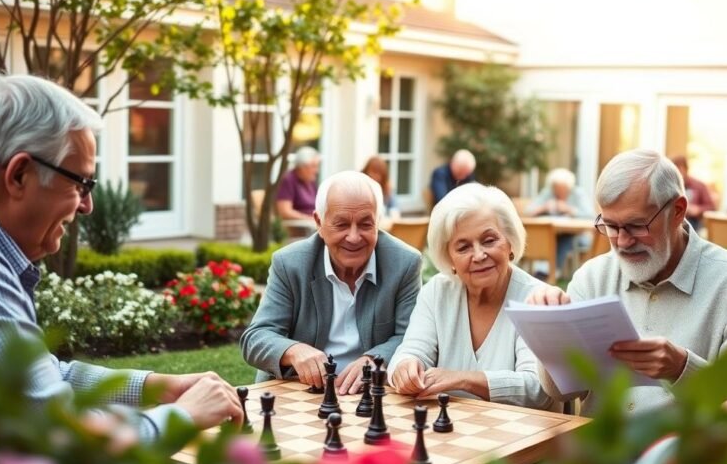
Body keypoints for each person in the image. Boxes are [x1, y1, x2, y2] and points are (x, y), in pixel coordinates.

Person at [0, 72, 242, 441]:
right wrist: (182, 416)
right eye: (80, 183)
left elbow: (38, 375)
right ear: (19, 174)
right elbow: (59, 442)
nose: (87, 205)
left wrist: (157, 386)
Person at [531, 149, 727, 414]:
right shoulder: (592, 277)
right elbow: (564, 392)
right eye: (611, 226)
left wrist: (683, 368)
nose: (622, 241)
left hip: (687, 452)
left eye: (636, 226)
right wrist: (549, 335)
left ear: (678, 211)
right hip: (599, 450)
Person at [241, 171, 422, 395]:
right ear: (319, 222)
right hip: (299, 389)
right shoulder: (290, 263)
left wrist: (375, 359)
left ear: (378, 221)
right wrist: (294, 351)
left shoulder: (404, 263)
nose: (354, 237)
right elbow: (256, 338)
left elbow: (413, 337)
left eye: (366, 224)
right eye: (342, 225)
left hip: (370, 392)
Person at [388, 183, 555, 410]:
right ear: (449, 258)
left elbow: (537, 389)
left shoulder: (536, 298)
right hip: (449, 434)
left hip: (520, 437)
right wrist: (405, 368)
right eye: (463, 247)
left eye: (489, 240)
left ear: (510, 242)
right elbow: (410, 352)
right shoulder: (436, 292)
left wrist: (462, 379)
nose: (478, 255)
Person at [525, 168, 595, 276]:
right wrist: (544, 207)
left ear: (569, 187)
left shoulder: (578, 193)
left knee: (566, 237)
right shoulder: (548, 193)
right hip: (551, 234)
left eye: (563, 189)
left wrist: (569, 209)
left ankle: (549, 272)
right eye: (556, 189)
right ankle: (546, 271)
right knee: (544, 237)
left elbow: (590, 216)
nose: (559, 192)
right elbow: (528, 211)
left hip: (578, 237)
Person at [671, 155, 716, 232]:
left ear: (686, 169)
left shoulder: (699, 186)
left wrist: (698, 210)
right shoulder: (669, 187)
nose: (678, 174)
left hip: (693, 224)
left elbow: (711, 207)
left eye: (680, 170)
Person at [276, 146, 321, 221]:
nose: (316, 171)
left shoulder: (310, 181)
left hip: (313, 224)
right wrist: (310, 219)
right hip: (301, 227)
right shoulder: (288, 180)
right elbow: (285, 212)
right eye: (313, 166)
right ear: (302, 167)